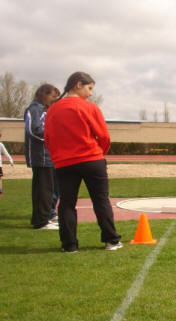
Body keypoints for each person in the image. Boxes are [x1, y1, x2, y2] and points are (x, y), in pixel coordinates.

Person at [44, 72, 122, 252]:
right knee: (101, 200)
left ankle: (69, 245)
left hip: (64, 163)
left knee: (67, 203)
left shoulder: (52, 109)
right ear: (78, 85)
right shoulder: (89, 108)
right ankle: (111, 240)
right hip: (91, 159)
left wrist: (58, 156)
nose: (91, 93)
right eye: (90, 88)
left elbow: (48, 137)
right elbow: (103, 136)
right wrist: (99, 153)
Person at [24, 84, 60, 230]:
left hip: (48, 156)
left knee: (47, 189)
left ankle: (44, 217)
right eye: (52, 96)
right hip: (41, 157)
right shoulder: (34, 109)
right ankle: (41, 222)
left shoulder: (43, 109)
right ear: (43, 94)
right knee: (42, 190)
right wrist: (53, 137)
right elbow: (33, 130)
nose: (54, 99)